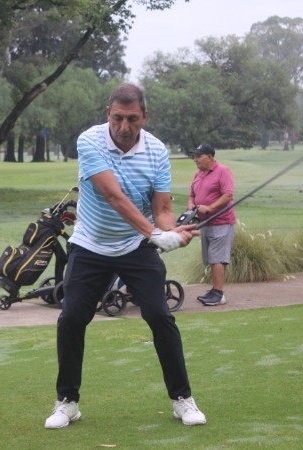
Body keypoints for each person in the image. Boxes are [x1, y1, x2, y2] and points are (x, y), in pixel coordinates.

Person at [44, 83, 206, 429]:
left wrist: (172, 233)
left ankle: (182, 399)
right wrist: (157, 234)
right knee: (71, 318)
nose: (124, 126)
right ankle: (67, 403)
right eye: (117, 117)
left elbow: (162, 209)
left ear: (145, 116)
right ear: (108, 114)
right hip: (90, 244)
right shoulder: (89, 141)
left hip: (135, 246)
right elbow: (113, 196)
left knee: (160, 315)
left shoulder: (157, 151)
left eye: (132, 119)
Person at [187, 144, 236, 306]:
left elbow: (227, 195)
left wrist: (210, 208)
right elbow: (192, 195)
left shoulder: (222, 171)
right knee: (211, 258)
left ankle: (219, 294)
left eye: (199, 156)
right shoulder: (198, 174)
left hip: (221, 221)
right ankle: (214, 290)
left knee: (217, 258)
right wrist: (191, 206)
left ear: (210, 157)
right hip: (205, 223)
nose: (195, 160)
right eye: (194, 156)